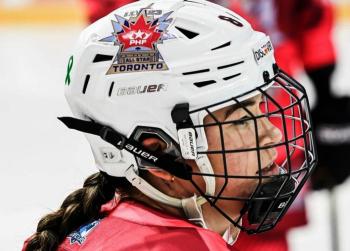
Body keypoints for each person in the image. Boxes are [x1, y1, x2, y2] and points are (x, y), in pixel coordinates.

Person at [23, 0, 317, 250]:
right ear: (161, 155)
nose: (273, 133)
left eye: (261, 108)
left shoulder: (88, 230)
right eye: (241, 119)